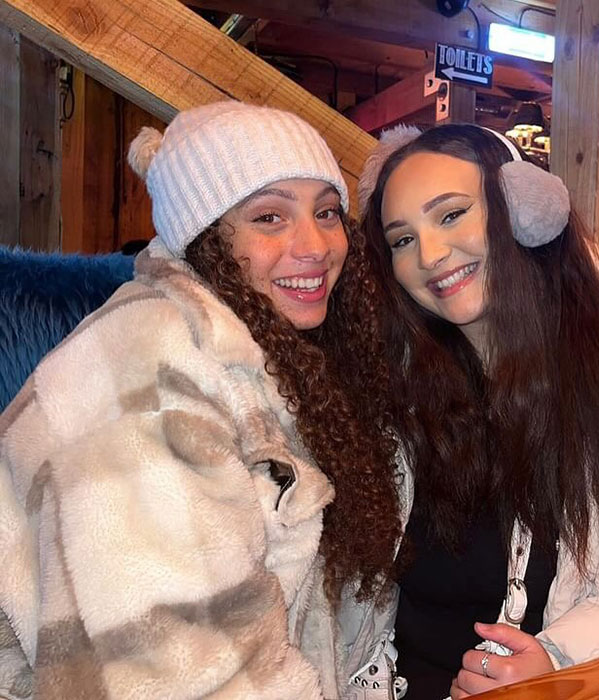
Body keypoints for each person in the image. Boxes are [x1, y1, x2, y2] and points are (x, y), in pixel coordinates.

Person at [0, 101, 402, 700]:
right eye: (270, 217)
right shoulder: (150, 374)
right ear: (205, 235)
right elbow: (172, 672)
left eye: (326, 212)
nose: (316, 244)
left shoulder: (280, 353)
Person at [351, 123, 599, 699]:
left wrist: (564, 655)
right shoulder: (388, 389)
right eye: (402, 240)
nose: (431, 255)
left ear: (526, 210)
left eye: (451, 214)